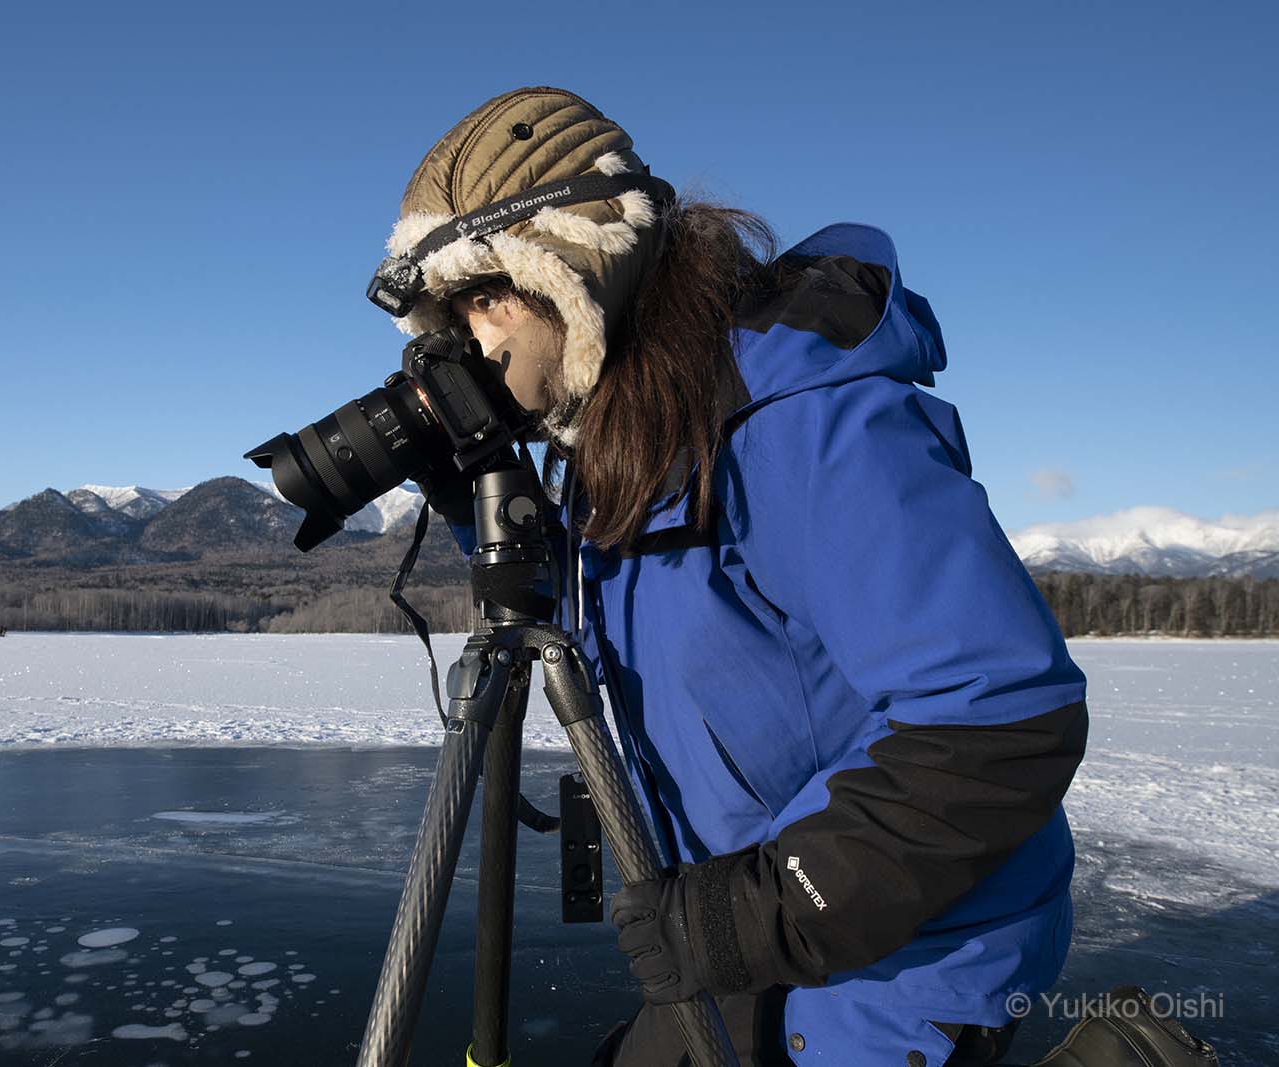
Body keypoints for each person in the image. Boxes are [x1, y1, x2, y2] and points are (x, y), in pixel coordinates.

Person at [372, 87, 1218, 1067]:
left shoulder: (796, 421)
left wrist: (765, 913)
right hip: (743, 915)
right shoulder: (637, 441)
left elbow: (1001, 720)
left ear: (573, 273)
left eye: (485, 297)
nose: (468, 342)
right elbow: (684, 614)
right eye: (447, 313)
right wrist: (478, 508)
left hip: (893, 944)